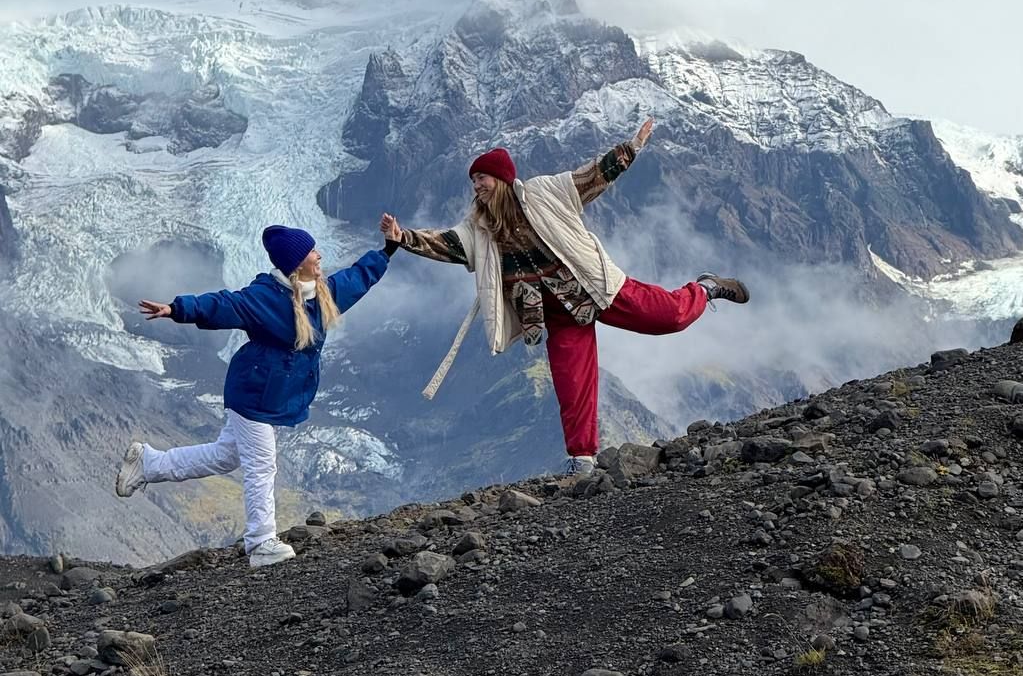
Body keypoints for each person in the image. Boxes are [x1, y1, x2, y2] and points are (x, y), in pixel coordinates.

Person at [379, 118, 748, 477]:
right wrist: (403, 237)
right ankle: (582, 460)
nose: (477, 186)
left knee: (670, 317)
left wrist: (630, 149)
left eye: (482, 178)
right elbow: (446, 244)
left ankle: (705, 288)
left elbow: (591, 177)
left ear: (502, 179)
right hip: (556, 313)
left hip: (595, 286)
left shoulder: (544, 192)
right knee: (572, 384)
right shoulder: (478, 228)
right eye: (474, 180)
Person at [114, 222, 401, 568]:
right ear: (296, 263)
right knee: (262, 463)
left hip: (270, 395)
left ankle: (147, 463)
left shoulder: (321, 293)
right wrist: (177, 309)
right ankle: (261, 542)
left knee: (225, 456)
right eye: (312, 251)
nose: (319, 255)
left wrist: (387, 250)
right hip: (253, 394)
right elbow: (223, 304)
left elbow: (357, 278)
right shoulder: (264, 298)